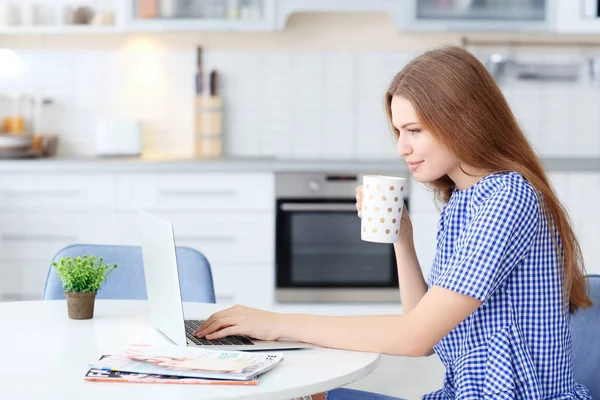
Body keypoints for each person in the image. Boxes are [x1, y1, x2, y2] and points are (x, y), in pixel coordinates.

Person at [193, 45, 593, 399]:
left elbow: (416, 336)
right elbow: (425, 331)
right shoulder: (464, 202)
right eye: (399, 132)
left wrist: (277, 323)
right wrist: (403, 240)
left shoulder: (508, 198)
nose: (402, 147)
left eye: (414, 130)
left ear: (462, 121)